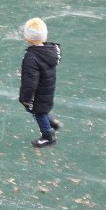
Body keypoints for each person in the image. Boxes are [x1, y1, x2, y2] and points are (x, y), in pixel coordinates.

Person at [17, 16, 62, 148]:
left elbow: (30, 82)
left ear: (28, 37)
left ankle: (48, 136)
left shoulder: (32, 58)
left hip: (38, 92)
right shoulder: (50, 51)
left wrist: (25, 98)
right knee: (42, 109)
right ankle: (52, 124)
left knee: (37, 112)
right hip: (47, 88)